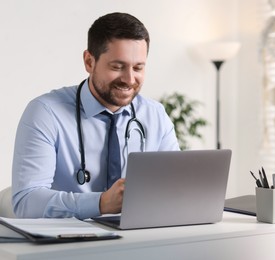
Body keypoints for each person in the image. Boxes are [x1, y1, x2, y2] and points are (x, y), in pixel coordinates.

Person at [12, 12, 180, 219]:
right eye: (117, 67)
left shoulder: (155, 115)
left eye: (138, 68)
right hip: (67, 244)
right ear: (89, 62)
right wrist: (100, 203)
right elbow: (26, 203)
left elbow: (175, 189)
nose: (129, 79)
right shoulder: (45, 113)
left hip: (138, 238)